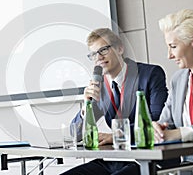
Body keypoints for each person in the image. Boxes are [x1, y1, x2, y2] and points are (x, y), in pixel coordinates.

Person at [61, 28, 168, 175]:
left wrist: (115, 136)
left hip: (146, 160)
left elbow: (156, 120)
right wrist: (86, 106)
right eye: (93, 54)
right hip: (115, 159)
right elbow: (76, 134)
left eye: (103, 50)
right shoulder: (100, 87)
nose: (98, 57)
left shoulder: (150, 74)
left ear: (120, 48)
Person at [153, 9, 193, 165]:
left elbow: (178, 132)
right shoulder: (178, 80)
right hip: (187, 165)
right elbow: (167, 122)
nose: (169, 55)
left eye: (173, 46)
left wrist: (182, 133)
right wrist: (158, 128)